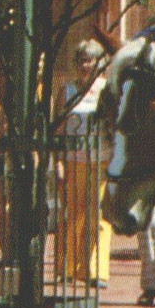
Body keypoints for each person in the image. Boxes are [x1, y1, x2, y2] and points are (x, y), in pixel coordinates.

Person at [61, 39, 115, 292]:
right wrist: (57, 162)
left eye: (90, 60)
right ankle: (70, 268)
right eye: (82, 60)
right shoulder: (67, 91)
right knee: (74, 215)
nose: (86, 65)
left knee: (99, 215)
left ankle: (96, 270)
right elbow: (59, 127)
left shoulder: (107, 89)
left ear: (99, 64)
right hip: (75, 160)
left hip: (102, 158)